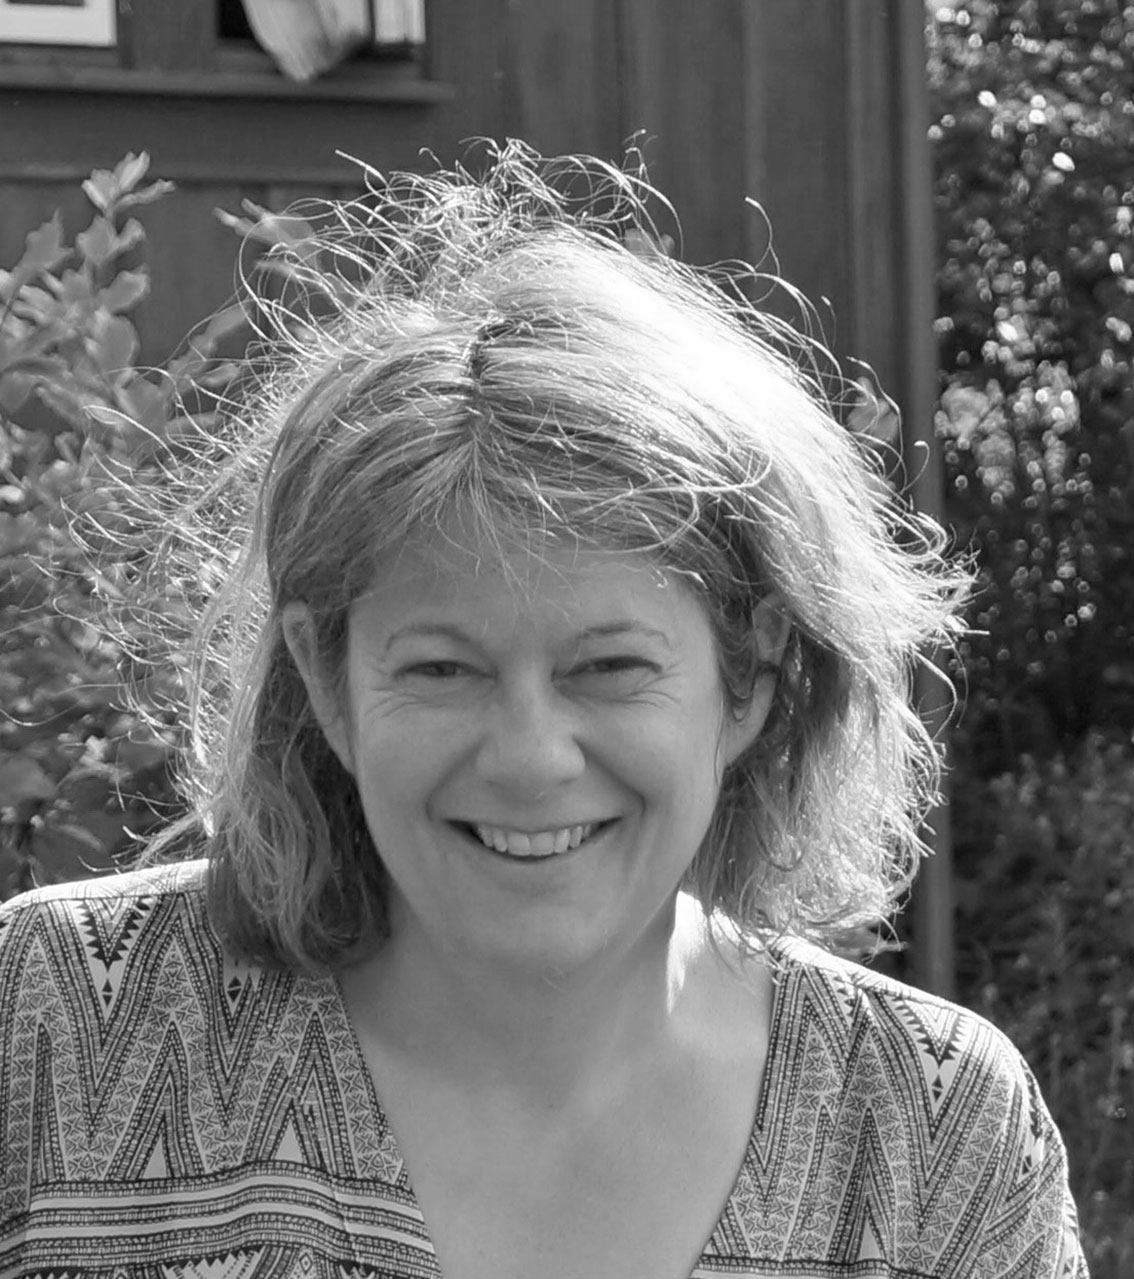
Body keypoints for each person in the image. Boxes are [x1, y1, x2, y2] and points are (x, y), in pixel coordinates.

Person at [0, 143, 1087, 1279]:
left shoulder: (937, 1139)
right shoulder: (52, 1024)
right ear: (326, 678)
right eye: (443, 669)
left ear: (753, 676)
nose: (529, 757)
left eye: (608, 667)